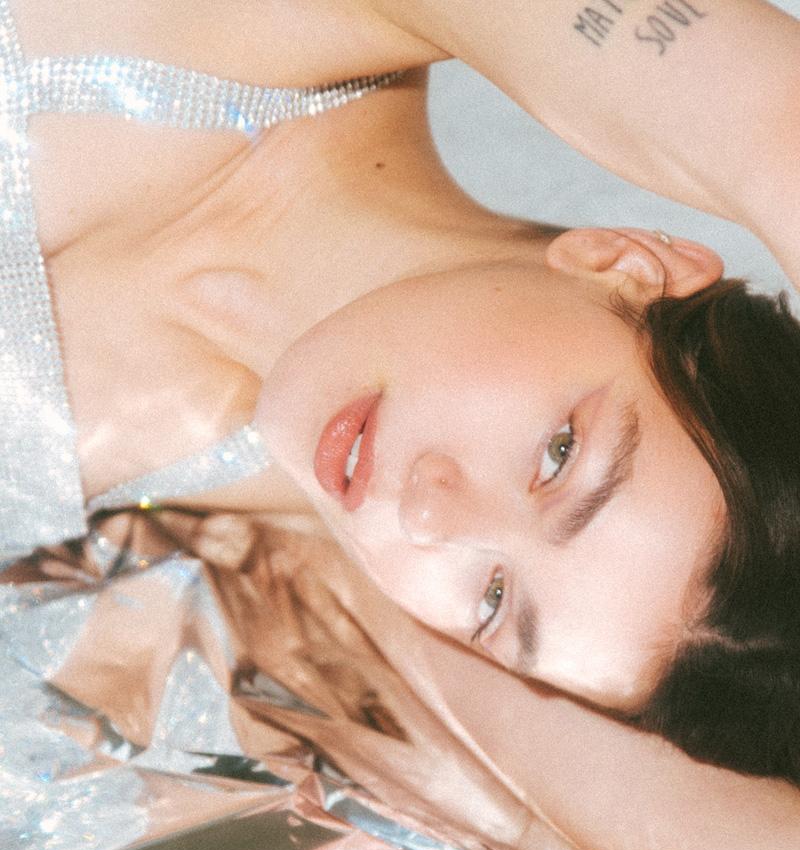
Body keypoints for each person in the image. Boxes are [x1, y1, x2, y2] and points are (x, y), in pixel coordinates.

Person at [2, 0, 800, 787]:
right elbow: (773, 122)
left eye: (494, 600)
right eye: (559, 456)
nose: (428, 517)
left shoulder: (256, 512)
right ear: (628, 266)